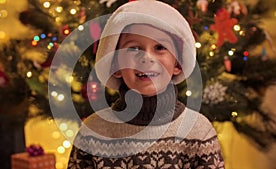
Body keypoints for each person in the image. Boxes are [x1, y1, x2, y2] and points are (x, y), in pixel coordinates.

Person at [68, 0, 225, 168]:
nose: (146, 57)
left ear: (177, 64)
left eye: (160, 47)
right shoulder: (92, 133)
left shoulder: (199, 132)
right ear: (116, 65)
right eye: (134, 48)